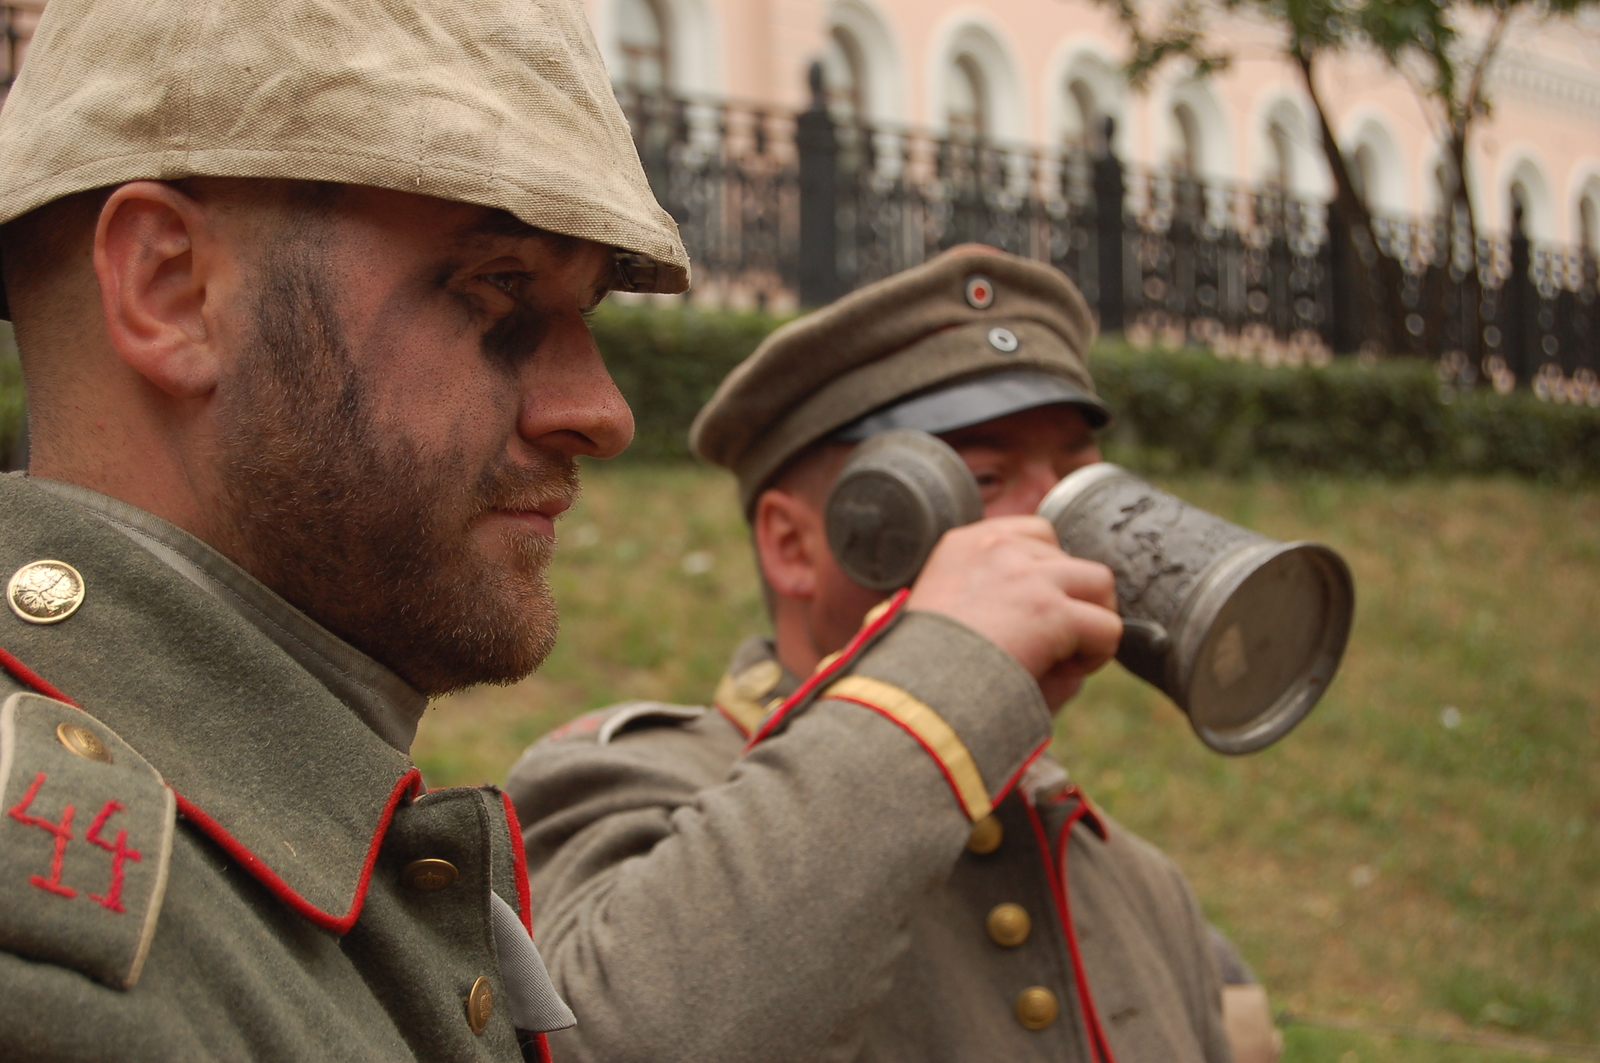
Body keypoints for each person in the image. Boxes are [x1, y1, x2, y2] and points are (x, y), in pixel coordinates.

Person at [0, 0, 689, 1058]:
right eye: (499, 283)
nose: (601, 412)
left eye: (586, 310)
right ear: (169, 291)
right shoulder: (52, 949)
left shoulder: (262, 843)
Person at [507, 246, 1282, 1062]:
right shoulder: (621, 787)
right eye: (984, 478)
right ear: (794, 544)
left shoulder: (1139, 884)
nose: (1057, 529)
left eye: (1083, 484)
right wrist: (949, 674)